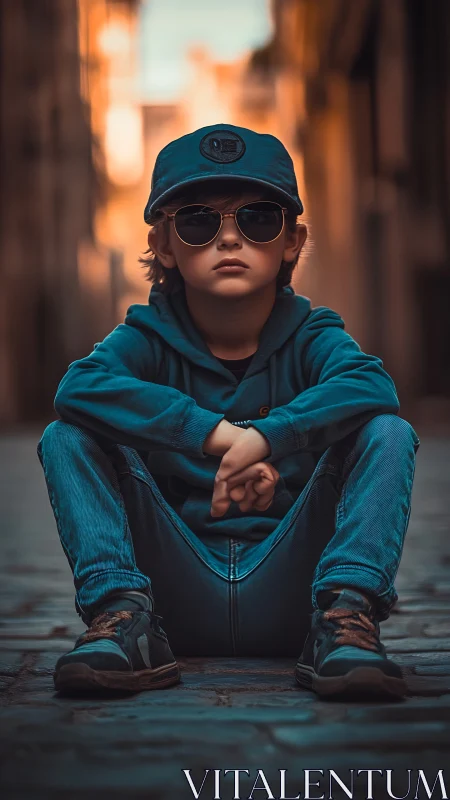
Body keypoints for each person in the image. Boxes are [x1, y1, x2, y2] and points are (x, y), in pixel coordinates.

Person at [37, 123, 420, 700]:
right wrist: (218, 436)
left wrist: (265, 438)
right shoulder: (146, 338)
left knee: (387, 431)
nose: (229, 238)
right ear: (164, 245)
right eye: (197, 220)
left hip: (292, 596)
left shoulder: (312, 335)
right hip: (173, 598)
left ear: (292, 240)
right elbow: (80, 386)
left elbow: (370, 383)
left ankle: (346, 619)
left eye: (258, 218)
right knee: (67, 437)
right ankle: (120, 616)